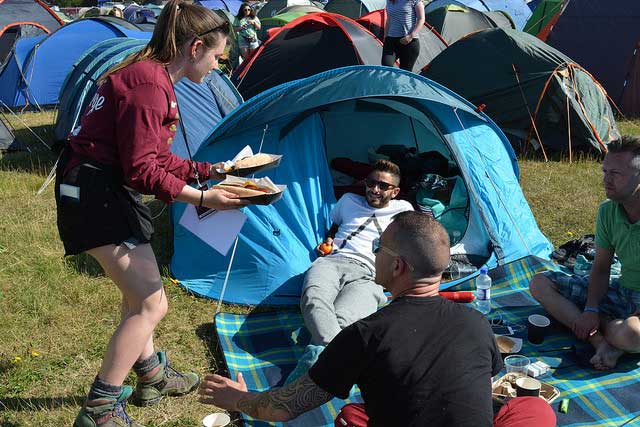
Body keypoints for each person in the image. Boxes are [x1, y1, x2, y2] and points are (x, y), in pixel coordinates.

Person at [55, 2, 248, 426]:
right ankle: (99, 409)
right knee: (150, 303)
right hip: (93, 194)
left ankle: (153, 377)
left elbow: (154, 155)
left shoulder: (153, 75)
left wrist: (207, 172)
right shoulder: (148, 85)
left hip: (98, 187)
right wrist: (203, 199)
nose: (218, 67)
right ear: (195, 46)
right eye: (218, 57)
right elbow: (143, 171)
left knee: (137, 295)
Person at [198, 212, 505, 426]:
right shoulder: (476, 322)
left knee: (348, 415)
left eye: (378, 248)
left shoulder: (366, 335)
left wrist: (238, 399)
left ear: (397, 266)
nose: (373, 254)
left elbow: (284, 407)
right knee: (530, 409)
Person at [290, 160, 413, 380]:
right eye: (371, 182)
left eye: (383, 186)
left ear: (395, 192)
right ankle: (335, 359)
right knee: (314, 299)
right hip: (334, 262)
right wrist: (328, 238)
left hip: (371, 275)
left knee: (345, 321)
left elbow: (419, 238)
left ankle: (298, 383)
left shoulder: (403, 210)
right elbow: (333, 226)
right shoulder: (348, 201)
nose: (374, 189)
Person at [530, 136, 640, 370]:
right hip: (622, 291)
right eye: (604, 171)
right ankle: (600, 341)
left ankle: (609, 330)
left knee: (631, 334)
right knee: (540, 283)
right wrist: (591, 308)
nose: (606, 180)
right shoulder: (608, 211)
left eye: (616, 174)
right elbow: (601, 267)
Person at [381, 0, 425, 71]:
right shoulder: (389, 1)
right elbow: (389, 20)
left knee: (404, 73)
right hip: (391, 40)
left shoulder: (415, 1)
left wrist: (411, 36)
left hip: (409, 41)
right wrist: (385, 36)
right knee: (386, 67)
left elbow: (421, 19)